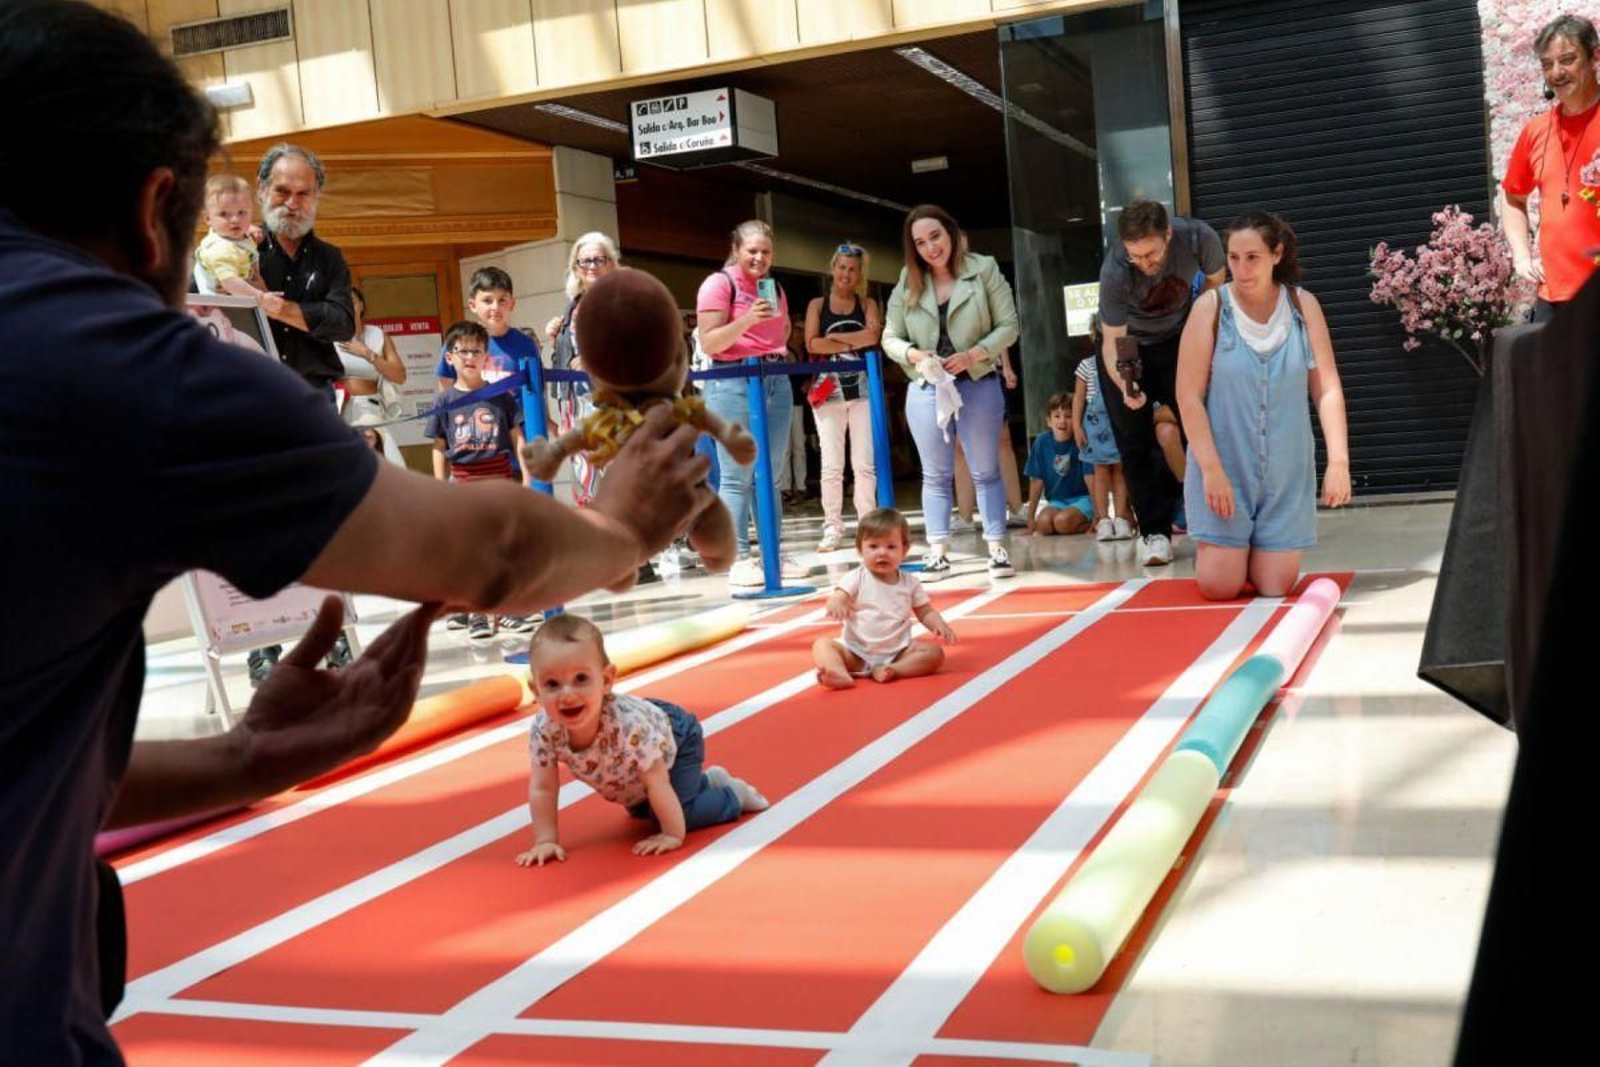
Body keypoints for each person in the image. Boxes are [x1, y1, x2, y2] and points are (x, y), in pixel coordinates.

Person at [0, 7, 713, 1060]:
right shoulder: (114, 358)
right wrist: (622, 526)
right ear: (159, 211)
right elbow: (495, 555)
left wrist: (246, 755)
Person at [1176, 211, 1351, 600]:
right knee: (1220, 586)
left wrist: (1338, 462)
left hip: (1286, 470)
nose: (1240, 268)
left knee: (1275, 587)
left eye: (1252, 257)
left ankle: (1254, 547)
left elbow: (1327, 388)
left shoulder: (1304, 307)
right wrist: (1211, 470)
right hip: (1225, 467)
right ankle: (1223, 550)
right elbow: (1188, 397)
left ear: (1276, 254)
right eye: (1233, 257)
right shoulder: (1210, 309)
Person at [515, 614, 768, 865]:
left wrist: (671, 834)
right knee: (641, 811)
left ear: (606, 680)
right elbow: (543, 788)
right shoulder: (544, 729)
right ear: (536, 690)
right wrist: (545, 840)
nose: (567, 694)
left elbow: (656, 780)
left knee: (675, 815)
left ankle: (732, 795)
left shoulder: (629, 727)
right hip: (636, 766)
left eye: (581, 679)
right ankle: (705, 783)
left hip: (675, 739)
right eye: (552, 684)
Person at [248, 140, 360, 684]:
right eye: (282, 191)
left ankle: (330, 633)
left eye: (303, 193)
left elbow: (343, 324)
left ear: (317, 198)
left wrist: (282, 309)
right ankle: (260, 643)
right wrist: (307, 316)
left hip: (314, 403)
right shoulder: (236, 252)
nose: (292, 203)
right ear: (262, 191)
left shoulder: (330, 259)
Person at [882, 204, 1020, 579]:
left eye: (935, 236)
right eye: (920, 242)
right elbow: (889, 336)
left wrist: (975, 354)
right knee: (935, 474)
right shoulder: (907, 280)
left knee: (985, 469)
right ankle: (938, 552)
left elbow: (1009, 325)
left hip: (977, 380)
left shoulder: (984, 268)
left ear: (951, 233)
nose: (930, 247)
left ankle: (997, 548)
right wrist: (913, 354)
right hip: (927, 385)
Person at [1097, 198, 1226, 567]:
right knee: (1134, 439)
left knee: (1198, 424)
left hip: (1178, 337)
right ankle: (1154, 533)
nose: (1145, 264)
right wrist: (1125, 384)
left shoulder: (1199, 238)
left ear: (1168, 234)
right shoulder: (1117, 270)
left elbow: (1215, 287)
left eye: (1151, 254)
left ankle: (1210, 521)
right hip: (1129, 346)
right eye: (1136, 256)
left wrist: (1199, 335)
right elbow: (1112, 340)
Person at [695, 219, 804, 587]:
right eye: (752, 251)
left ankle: (772, 552)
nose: (759, 258)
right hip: (731, 381)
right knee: (737, 475)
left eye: (766, 252)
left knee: (770, 475)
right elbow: (710, 343)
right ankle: (738, 556)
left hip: (774, 378)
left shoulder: (773, 286)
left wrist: (774, 341)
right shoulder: (718, 284)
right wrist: (746, 321)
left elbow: (784, 329)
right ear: (737, 249)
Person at [427, 320, 538, 640]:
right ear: (450, 357)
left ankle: (508, 611)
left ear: (487, 357)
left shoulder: (501, 396)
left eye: (477, 350)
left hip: (501, 480)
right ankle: (476, 614)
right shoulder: (443, 401)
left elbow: (519, 438)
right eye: (462, 351)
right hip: (462, 484)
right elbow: (439, 447)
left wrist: (527, 477)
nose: (470, 357)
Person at [1501, 14, 1600, 323]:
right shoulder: (1536, 131)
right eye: (1547, 64)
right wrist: (1521, 256)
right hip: (1553, 298)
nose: (1557, 73)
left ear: (1594, 56)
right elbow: (1512, 197)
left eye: (1567, 60)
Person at [812, 508, 955, 688]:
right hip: (856, 652)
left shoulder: (910, 583)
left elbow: (925, 611)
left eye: (891, 546)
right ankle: (838, 672)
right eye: (873, 546)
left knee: (934, 653)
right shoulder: (856, 577)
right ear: (860, 549)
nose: (882, 553)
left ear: (905, 549)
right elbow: (839, 595)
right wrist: (837, 603)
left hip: (899, 652)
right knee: (822, 645)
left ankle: (893, 669)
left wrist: (938, 623)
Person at [805, 242, 883, 552]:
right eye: (841, 267)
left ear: (859, 273)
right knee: (831, 464)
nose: (846, 274)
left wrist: (834, 340)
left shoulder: (867, 305)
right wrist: (855, 341)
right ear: (832, 268)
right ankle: (832, 526)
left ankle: (868, 523)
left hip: (863, 391)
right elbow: (812, 344)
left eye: (852, 269)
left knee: (864, 463)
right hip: (827, 392)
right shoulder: (816, 305)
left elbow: (873, 337)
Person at [544, 233, 620, 506]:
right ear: (575, 267)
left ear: (612, 263)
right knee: (586, 479)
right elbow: (569, 356)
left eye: (599, 259)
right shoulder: (573, 307)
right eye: (584, 261)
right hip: (577, 406)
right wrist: (557, 337)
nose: (591, 266)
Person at [1072, 329, 1134, 542]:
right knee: (1100, 471)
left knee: (1119, 470)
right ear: (1093, 337)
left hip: (1118, 423)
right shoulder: (1086, 366)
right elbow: (1079, 399)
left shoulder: (1123, 364)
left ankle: (1120, 517)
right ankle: (1103, 519)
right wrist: (1076, 425)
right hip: (1095, 428)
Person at [434, 265, 538, 390]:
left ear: (512, 304)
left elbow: (537, 391)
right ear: (472, 305)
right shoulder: (457, 342)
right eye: (487, 301)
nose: (496, 307)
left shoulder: (525, 344)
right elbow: (445, 389)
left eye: (502, 300)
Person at [191, 173, 278, 311]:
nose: (235, 220)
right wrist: (261, 298)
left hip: (237, 305)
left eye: (242, 213)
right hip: (220, 312)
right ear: (207, 218)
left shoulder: (231, 236)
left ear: (252, 213)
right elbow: (229, 283)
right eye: (224, 214)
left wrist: (248, 229)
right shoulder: (219, 249)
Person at [1024, 392, 1095, 536]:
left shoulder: (1082, 440)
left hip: (1083, 499)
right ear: (1049, 421)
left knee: (1062, 522)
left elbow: (1091, 478)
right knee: (1043, 524)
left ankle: (1087, 524)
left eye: (1069, 416)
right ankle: (1062, 526)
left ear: (1076, 420)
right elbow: (1037, 481)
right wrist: (1030, 518)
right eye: (1057, 416)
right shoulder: (1041, 442)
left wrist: (1098, 513)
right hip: (1057, 501)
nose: (1062, 421)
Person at [336, 286, 407, 426]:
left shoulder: (378, 335)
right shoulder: (327, 337)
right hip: (338, 409)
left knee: (374, 446)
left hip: (369, 408)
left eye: (352, 302)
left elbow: (400, 376)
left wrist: (367, 353)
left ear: (361, 305)